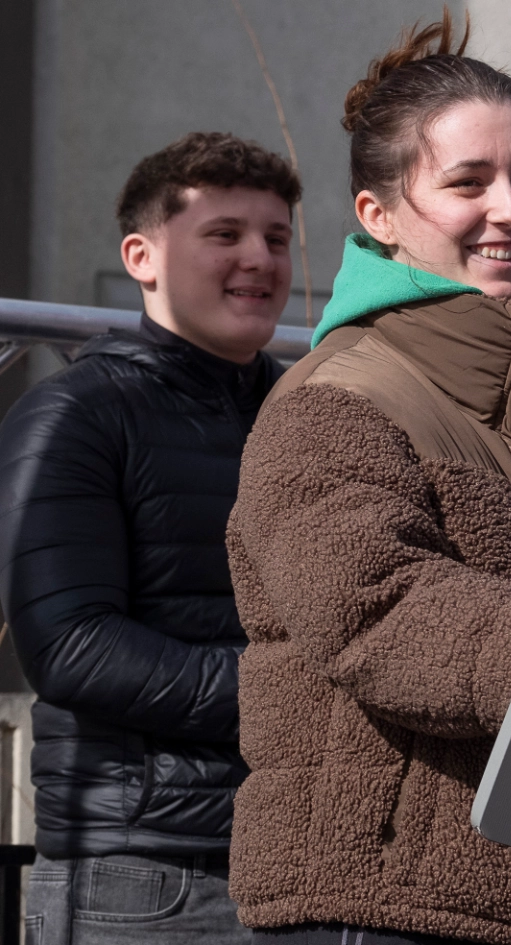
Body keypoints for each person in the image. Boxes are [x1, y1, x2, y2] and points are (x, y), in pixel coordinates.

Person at [224, 15, 511, 945]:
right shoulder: (333, 397)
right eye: (467, 183)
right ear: (378, 216)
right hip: (385, 907)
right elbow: (378, 610)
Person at [0, 131, 299, 942]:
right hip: (143, 872)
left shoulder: (309, 413)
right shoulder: (76, 413)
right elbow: (72, 645)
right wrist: (293, 695)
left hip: (301, 852)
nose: (260, 259)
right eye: (224, 234)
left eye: (276, 238)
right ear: (142, 255)